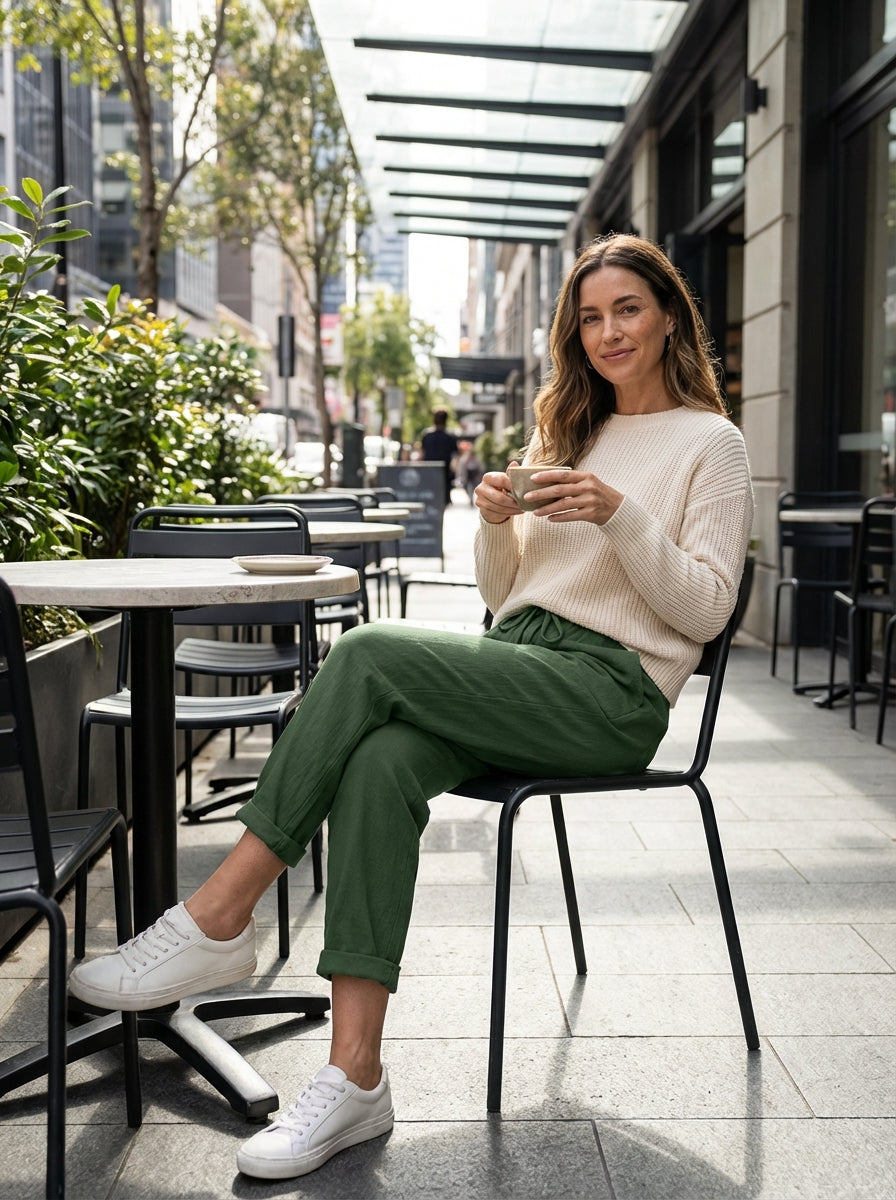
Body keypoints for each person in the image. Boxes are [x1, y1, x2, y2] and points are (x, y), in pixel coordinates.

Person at [69, 233, 754, 1182]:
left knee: (366, 650)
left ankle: (219, 915)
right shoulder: (566, 435)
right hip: (520, 664)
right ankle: (355, 1078)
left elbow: (707, 611)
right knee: (380, 760)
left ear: (669, 315)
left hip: (612, 693)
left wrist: (619, 513)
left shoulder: (712, 445)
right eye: (591, 317)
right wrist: (496, 525)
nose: (609, 332)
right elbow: (505, 597)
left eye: (627, 310)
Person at [420, 407, 459, 505]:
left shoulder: (427, 435)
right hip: (444, 472)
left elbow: (422, 454)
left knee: (430, 496)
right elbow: (455, 458)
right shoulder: (451, 436)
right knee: (443, 499)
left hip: (429, 471)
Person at [455, 439, 485, 504]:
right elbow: (460, 470)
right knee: (467, 487)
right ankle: (470, 498)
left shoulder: (477, 459)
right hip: (466, 476)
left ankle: (473, 498)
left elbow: (481, 467)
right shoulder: (463, 460)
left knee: (475, 487)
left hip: (474, 476)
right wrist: (460, 478)